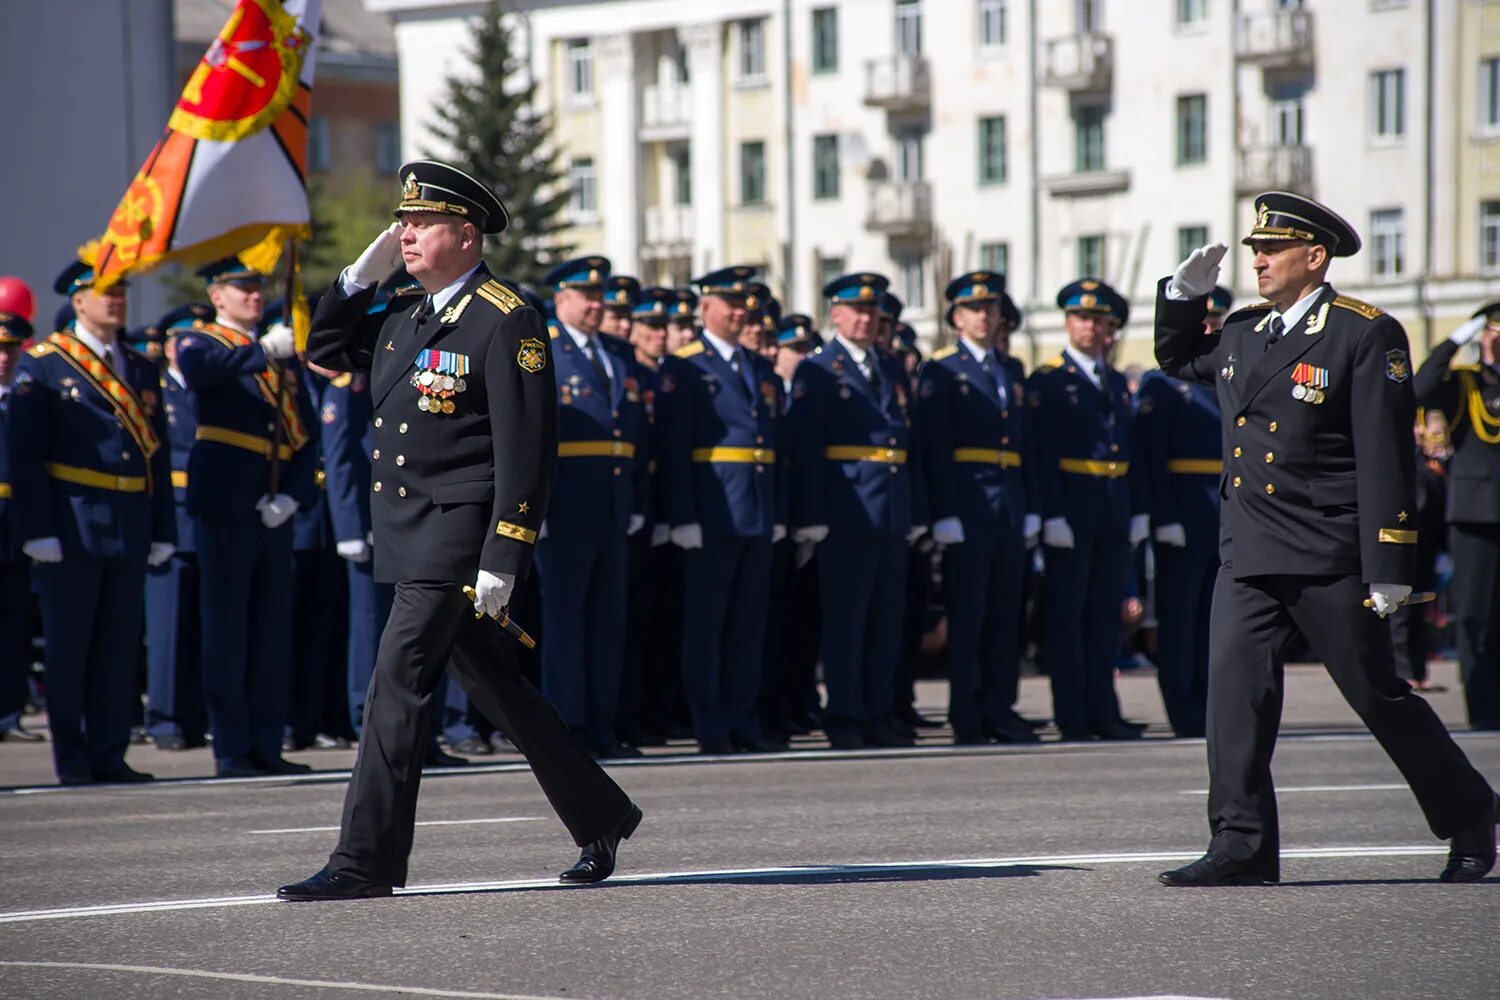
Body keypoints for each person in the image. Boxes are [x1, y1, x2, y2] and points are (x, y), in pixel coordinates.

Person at [281, 160, 640, 901]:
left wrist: (507, 554)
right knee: (497, 686)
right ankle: (599, 812)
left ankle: (364, 861)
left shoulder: (505, 318)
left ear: (466, 233)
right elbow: (325, 351)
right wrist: (356, 279)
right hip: (407, 529)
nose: (405, 235)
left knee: (395, 686)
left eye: (420, 224)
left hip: (457, 537)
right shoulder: (407, 310)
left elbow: (527, 447)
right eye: (402, 224)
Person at [1154, 192, 1498, 886]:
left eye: (1271, 249)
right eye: (1253, 249)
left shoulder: (1363, 333)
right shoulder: (1246, 332)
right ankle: (1240, 844)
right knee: (1234, 694)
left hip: (1325, 550)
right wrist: (1181, 295)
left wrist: (1390, 562)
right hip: (1249, 546)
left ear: (1314, 257)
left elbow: (1383, 455)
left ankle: (1469, 812)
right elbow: (1176, 356)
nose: (1257, 259)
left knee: (1376, 694)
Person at [7, 252, 174, 783]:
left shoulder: (140, 366)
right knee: (70, 647)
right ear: (78, 301)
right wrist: (35, 529)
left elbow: (157, 456)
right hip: (72, 521)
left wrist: (162, 528)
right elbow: (25, 455)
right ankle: (74, 758)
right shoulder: (48, 363)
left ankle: (109, 751)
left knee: (118, 646)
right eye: (106, 292)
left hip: (128, 521)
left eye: (122, 292)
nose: (117, 300)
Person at [176, 258, 315, 778]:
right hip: (226, 501)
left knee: (271, 630)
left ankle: (265, 742)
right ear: (217, 295)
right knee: (227, 628)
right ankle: (232, 747)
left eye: (258, 288)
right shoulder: (201, 341)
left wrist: (293, 498)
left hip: (272, 505)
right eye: (243, 289)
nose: (254, 296)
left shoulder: (280, 356)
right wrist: (261, 353)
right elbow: (199, 374)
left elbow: (306, 439)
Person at [788, 272, 926, 749]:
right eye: (857, 310)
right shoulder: (819, 368)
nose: (867, 318)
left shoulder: (891, 366)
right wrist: (811, 514)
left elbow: (908, 444)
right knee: (847, 622)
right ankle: (845, 716)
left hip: (890, 512)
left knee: (886, 621)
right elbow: (805, 448)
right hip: (845, 513)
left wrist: (916, 510)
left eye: (873, 311)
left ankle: (879, 713)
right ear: (836, 314)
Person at [657, 266, 785, 754]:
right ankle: (711, 725)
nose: (739, 312)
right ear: (705, 308)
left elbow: (767, 447)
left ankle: (743, 719)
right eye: (729, 304)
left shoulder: (755, 366)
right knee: (707, 626)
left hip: (753, 510)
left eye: (744, 306)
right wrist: (682, 515)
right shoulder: (685, 366)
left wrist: (775, 512)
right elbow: (674, 448)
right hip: (710, 514)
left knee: (748, 625)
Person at [918, 272, 1039, 745]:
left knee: (1006, 613)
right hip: (968, 504)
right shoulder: (943, 369)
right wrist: (944, 510)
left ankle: (999, 708)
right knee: (969, 614)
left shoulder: (1010, 370)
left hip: (1008, 503)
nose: (983, 317)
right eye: (973, 309)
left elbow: (1025, 443)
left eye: (989, 309)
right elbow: (937, 445)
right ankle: (967, 713)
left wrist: (1030, 503)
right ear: (955, 318)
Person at [1029, 279, 1150, 741]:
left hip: (1112, 509)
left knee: (1104, 617)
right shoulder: (1050, 380)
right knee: (1068, 616)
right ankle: (1073, 714)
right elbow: (1043, 453)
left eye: (1100, 320)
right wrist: (1051, 513)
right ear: (1067, 323)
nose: (1091, 327)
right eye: (1082, 318)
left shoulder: (1116, 380)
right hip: (1073, 510)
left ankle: (1105, 710)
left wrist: (1137, 508)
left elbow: (1129, 449)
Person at [538, 255, 649, 759]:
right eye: (586, 295)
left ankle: (602, 724)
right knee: (564, 623)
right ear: (561, 299)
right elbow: (530, 435)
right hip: (563, 510)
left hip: (611, 507)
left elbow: (636, 439)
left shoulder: (618, 356)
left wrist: (638, 502)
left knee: (607, 621)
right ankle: (567, 729)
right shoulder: (543, 349)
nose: (595, 304)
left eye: (599, 296)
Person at [1132, 285, 1232, 738]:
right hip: (1184, 514)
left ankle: (1212, 705)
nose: (1209, 327)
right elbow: (1150, 456)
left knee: (1217, 621)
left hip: (1227, 513)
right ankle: (1183, 709)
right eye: (1202, 320)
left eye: (1216, 320)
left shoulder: (1229, 375)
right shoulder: (1163, 380)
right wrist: (1163, 514)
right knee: (1179, 619)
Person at [1413, 299, 1500, 728]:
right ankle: (1484, 709)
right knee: (1473, 615)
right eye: (1494, 334)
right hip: (1474, 515)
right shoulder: (1465, 383)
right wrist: (1454, 340)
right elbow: (1421, 387)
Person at [142, 304, 213, 750]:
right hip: (173, 515)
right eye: (182, 339)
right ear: (168, 346)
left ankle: (194, 715)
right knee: (167, 627)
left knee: (199, 627)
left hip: (208, 514)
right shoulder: (158, 388)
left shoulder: (212, 387)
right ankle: (164, 719)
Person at [0, 309, 42, 742]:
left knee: (15, 625)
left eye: (11, 348)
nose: (4, 358)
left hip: (16, 525)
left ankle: (8, 715)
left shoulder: (28, 396)